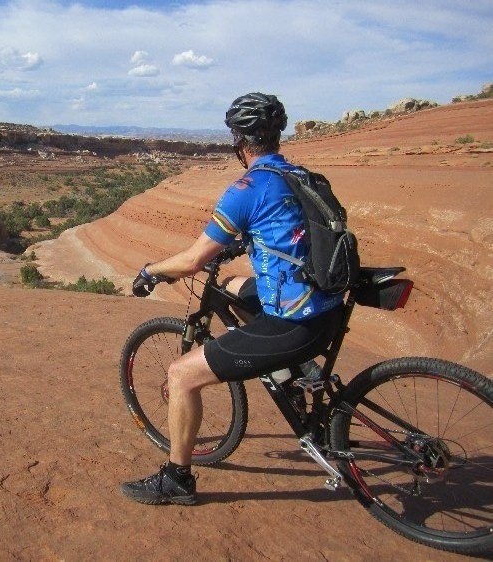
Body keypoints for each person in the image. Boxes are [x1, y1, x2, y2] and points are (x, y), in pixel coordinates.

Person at [121, 92, 345, 505]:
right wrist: (246, 243)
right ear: (275, 136)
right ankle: (295, 373)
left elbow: (192, 261)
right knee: (236, 285)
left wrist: (151, 271)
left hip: (295, 325)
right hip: (327, 308)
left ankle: (177, 480)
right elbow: (286, 233)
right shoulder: (301, 175)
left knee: (181, 375)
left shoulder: (248, 187)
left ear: (238, 142)